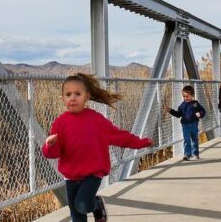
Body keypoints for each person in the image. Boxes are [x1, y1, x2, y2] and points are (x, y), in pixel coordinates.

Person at [42, 73, 153, 222]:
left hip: (93, 173)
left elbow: (120, 136)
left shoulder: (97, 120)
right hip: (70, 176)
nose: (73, 98)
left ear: (87, 96)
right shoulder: (59, 123)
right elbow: (54, 153)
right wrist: (50, 145)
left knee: (82, 205)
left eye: (78, 94)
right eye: (68, 94)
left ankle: (97, 204)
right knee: (76, 215)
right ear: (63, 98)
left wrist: (142, 142)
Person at [166, 85, 206, 161]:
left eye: (187, 96)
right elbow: (178, 114)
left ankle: (195, 154)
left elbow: (203, 111)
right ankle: (187, 154)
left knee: (194, 140)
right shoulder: (182, 105)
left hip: (194, 124)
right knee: (186, 140)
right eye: (184, 96)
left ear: (192, 95)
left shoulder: (196, 103)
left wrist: (200, 114)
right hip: (185, 125)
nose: (185, 98)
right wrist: (171, 111)